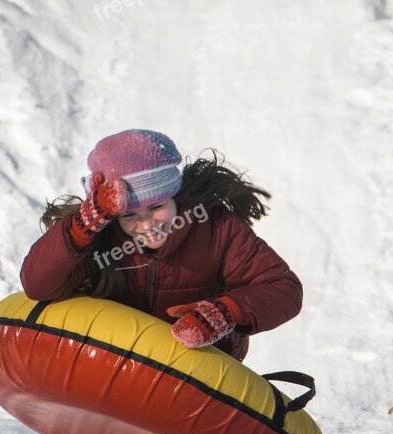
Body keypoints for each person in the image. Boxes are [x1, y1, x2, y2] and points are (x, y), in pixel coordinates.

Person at [20, 129, 302, 363]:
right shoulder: (100, 236)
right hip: (114, 359)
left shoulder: (216, 228)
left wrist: (224, 313)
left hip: (199, 367)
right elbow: (37, 285)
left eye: (156, 207)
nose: (146, 225)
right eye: (129, 215)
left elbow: (282, 287)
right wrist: (79, 229)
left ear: (174, 197)